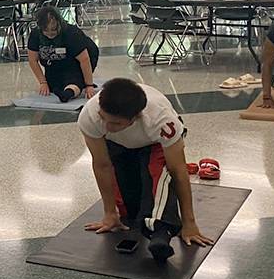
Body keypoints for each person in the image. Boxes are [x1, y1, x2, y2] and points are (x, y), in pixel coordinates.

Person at [78, 78, 213, 262]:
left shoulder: (161, 120)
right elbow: (102, 165)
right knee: (130, 212)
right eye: (104, 118)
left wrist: (189, 223)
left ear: (136, 117)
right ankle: (139, 216)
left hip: (154, 143)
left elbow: (178, 170)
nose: (107, 126)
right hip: (117, 144)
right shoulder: (90, 116)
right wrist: (110, 213)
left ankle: (162, 231)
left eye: (116, 123)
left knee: (158, 182)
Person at [26, 7, 100, 102]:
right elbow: (33, 60)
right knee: (53, 85)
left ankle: (67, 94)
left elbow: (84, 60)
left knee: (75, 81)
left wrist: (89, 85)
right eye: (46, 31)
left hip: (78, 59)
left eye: (53, 30)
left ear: (59, 23)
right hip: (54, 62)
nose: (50, 34)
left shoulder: (71, 33)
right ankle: (63, 90)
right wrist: (43, 82)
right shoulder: (36, 34)